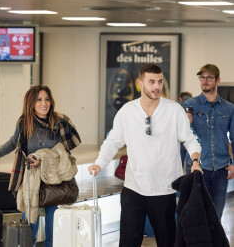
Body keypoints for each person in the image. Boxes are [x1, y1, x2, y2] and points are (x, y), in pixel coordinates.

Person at [88, 63, 202, 247]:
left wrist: (195, 160)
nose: (157, 86)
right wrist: (99, 163)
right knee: (128, 242)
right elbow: (113, 141)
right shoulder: (127, 111)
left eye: (160, 81)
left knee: (168, 242)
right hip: (133, 189)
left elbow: (190, 140)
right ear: (140, 84)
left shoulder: (174, 110)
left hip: (165, 189)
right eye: (151, 82)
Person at [0, 85, 81, 247]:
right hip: (31, 179)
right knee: (30, 226)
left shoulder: (59, 123)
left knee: (52, 226)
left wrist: (43, 160)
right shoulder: (24, 123)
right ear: (31, 103)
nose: (44, 103)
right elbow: (12, 142)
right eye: (39, 100)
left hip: (53, 179)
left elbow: (63, 152)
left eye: (47, 99)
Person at [183, 64, 234, 220]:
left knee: (216, 216)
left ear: (217, 81)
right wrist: (187, 124)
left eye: (209, 77)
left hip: (221, 169)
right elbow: (182, 137)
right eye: (202, 77)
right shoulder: (189, 106)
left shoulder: (229, 108)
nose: (205, 81)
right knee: (197, 216)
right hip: (198, 168)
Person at [177, 91, 193, 166]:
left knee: (179, 162)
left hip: (179, 138)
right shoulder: (193, 106)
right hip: (190, 137)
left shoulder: (176, 106)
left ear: (180, 98)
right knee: (190, 162)